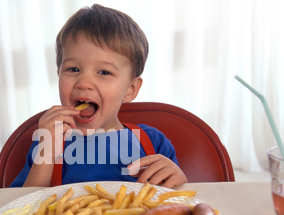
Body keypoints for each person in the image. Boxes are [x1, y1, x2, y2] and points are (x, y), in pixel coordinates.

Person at [10, 4, 187, 188]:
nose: (84, 83)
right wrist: (46, 152)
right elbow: (21, 207)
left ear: (130, 89)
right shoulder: (49, 141)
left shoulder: (153, 142)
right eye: (73, 69)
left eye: (104, 72)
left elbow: (176, 201)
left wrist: (179, 179)